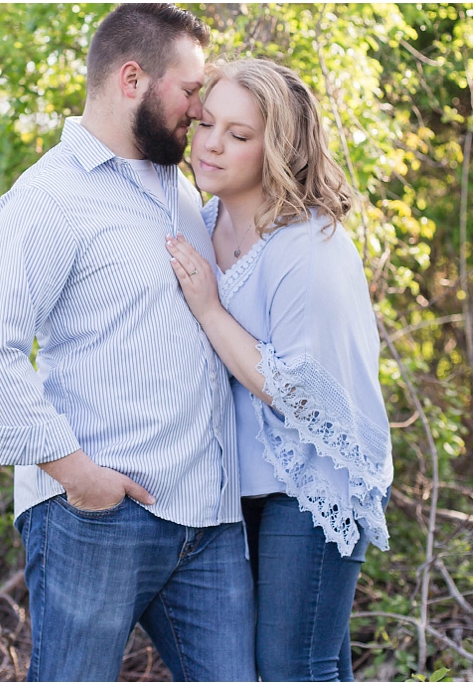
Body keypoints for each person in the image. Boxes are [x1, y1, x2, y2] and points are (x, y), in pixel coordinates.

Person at [0, 4, 256, 682]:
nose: (199, 109)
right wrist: (78, 476)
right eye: (188, 90)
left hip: (208, 522)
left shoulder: (181, 187)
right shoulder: (48, 198)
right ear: (132, 79)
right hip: (98, 519)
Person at [165, 58, 393, 681]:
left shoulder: (308, 246)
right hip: (237, 483)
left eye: (238, 136)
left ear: (278, 150)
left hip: (315, 478)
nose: (211, 145)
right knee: (298, 663)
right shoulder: (201, 222)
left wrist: (210, 309)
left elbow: (299, 393)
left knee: (295, 666)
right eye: (207, 123)